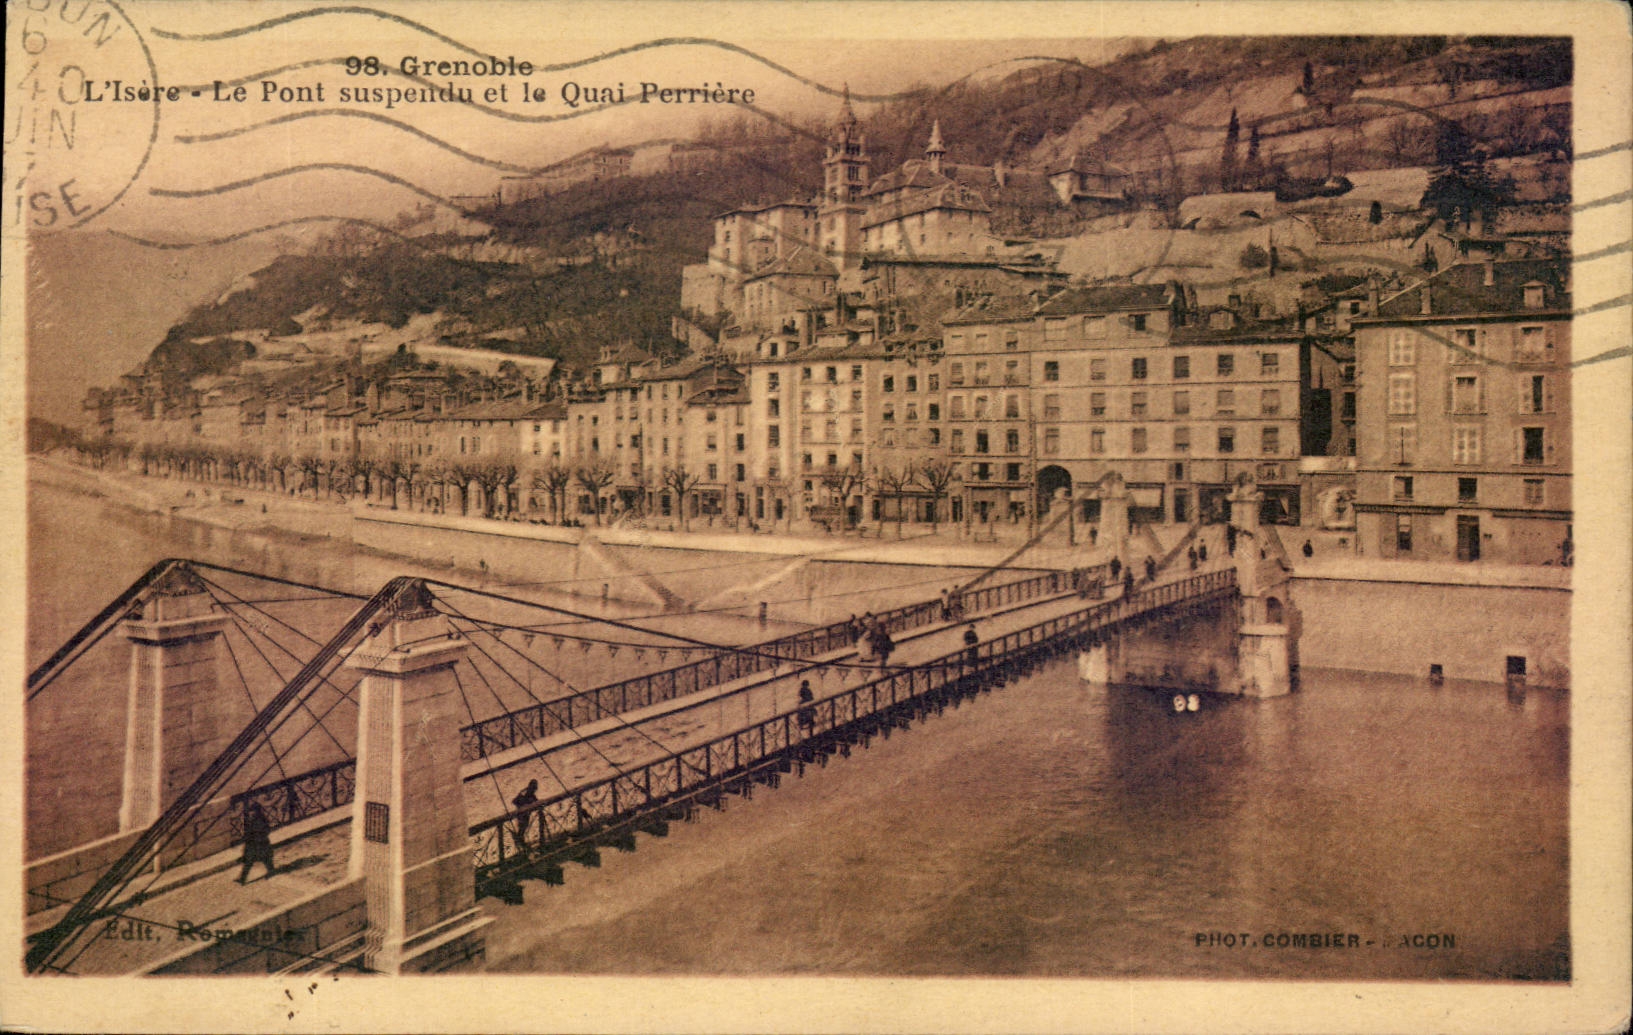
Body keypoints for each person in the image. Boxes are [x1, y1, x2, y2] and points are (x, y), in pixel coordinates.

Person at [237, 802, 275, 884]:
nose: (251, 812)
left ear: (257, 811)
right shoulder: (258, 818)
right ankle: (243, 878)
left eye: (253, 810)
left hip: (258, 843)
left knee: (258, 860)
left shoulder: (259, 820)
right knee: (261, 859)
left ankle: (243, 879)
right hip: (258, 843)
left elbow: (263, 831)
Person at [511, 779, 539, 846]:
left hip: (526, 813)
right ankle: (519, 841)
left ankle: (520, 840)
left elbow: (536, 801)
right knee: (522, 826)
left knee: (524, 826)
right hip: (521, 813)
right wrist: (524, 805)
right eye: (533, 788)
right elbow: (515, 801)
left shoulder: (531, 793)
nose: (534, 790)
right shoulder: (524, 793)